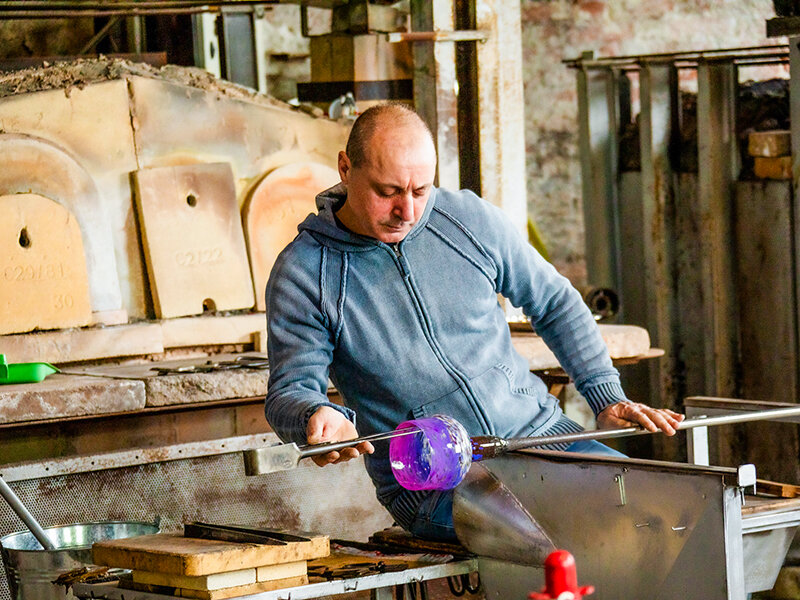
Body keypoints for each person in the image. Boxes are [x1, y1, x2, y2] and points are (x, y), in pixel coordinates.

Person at [264, 103, 683, 542]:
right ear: (346, 168)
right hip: (440, 484)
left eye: (420, 190)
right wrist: (314, 414)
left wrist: (606, 396)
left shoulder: (466, 220)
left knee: (665, 512)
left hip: (544, 440)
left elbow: (555, 302)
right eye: (388, 192)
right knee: (575, 536)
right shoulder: (305, 272)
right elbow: (289, 391)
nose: (408, 211)